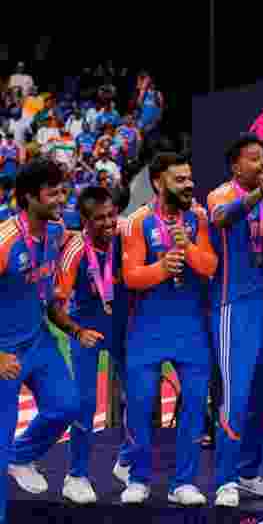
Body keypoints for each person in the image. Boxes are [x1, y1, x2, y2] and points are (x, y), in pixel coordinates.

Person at [120, 152, 217, 505]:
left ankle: (184, 482)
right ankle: (138, 478)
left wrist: (187, 247)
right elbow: (131, 277)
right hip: (147, 327)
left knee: (193, 404)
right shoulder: (136, 222)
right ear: (159, 182)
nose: (189, 185)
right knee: (142, 404)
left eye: (190, 178)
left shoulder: (200, 219)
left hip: (190, 327)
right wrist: (162, 267)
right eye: (180, 180)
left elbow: (209, 267)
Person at [0, 159, 82, 520]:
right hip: (4, 352)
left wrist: (73, 327)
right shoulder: (5, 241)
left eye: (63, 191)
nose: (61, 198)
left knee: (66, 406)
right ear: (30, 197)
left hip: (39, 341)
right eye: (53, 193)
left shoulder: (54, 231)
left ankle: (21, 458)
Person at [206, 134, 263, 507]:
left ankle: (248, 473)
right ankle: (224, 480)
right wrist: (258, 195)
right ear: (236, 166)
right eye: (254, 159)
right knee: (235, 394)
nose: (262, 163)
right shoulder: (221, 193)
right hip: (232, 305)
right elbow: (221, 218)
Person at [52, 186, 132, 504]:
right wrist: (75, 331)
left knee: (139, 396)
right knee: (84, 402)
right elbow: (55, 304)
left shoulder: (127, 234)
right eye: (100, 219)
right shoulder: (74, 250)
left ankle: (127, 462)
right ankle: (77, 476)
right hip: (87, 327)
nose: (109, 223)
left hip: (124, 326)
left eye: (112, 215)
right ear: (84, 220)